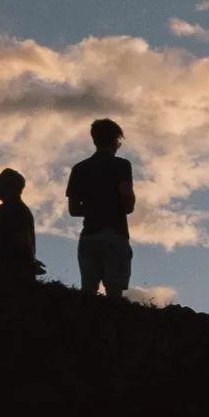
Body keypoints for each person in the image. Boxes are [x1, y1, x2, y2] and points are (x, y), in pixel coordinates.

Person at [64, 118, 136, 296]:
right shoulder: (122, 166)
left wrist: (94, 209)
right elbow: (127, 201)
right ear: (116, 141)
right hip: (115, 232)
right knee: (114, 292)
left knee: (88, 291)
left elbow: (73, 209)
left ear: (94, 140)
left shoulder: (79, 168)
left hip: (89, 234)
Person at [0, 168, 41, 285]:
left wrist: (29, 263)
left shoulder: (13, 209)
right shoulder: (14, 208)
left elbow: (22, 240)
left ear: (8, 185)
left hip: (6, 278)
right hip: (3, 275)